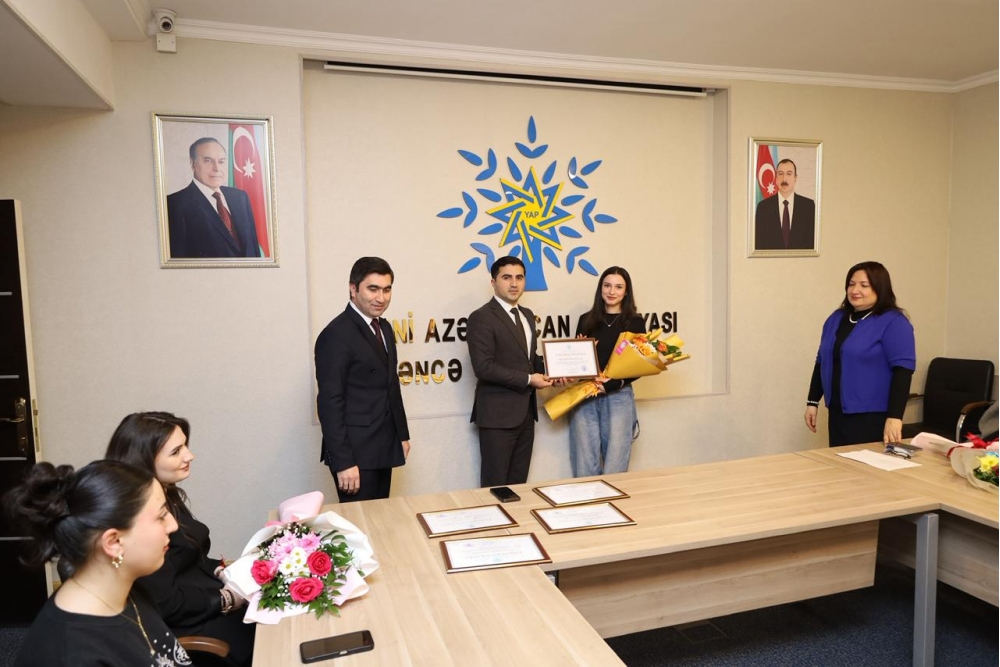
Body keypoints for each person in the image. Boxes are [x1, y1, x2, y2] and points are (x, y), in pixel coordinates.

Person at [105, 411, 255, 666]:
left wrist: (223, 571)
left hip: (205, 600)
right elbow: (168, 604)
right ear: (144, 460)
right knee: (275, 635)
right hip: (188, 624)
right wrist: (227, 599)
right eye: (176, 452)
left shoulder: (165, 494)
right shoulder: (137, 522)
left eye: (185, 446)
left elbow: (190, 556)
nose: (189, 456)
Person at [5, 460, 187, 666]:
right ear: (114, 542)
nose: (173, 525)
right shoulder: (74, 656)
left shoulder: (126, 589)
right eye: (161, 516)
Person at [315, 257, 411, 502]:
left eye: (387, 290)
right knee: (358, 522)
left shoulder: (384, 328)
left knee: (380, 519)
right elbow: (329, 402)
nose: (381, 297)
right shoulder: (336, 334)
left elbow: (391, 386)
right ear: (353, 289)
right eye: (373, 289)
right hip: (354, 453)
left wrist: (401, 435)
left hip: (384, 445)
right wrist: (343, 461)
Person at [804, 261, 915, 446]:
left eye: (864, 285)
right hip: (837, 413)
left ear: (880, 288)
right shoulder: (835, 319)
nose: (855, 290)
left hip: (872, 417)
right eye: (851, 284)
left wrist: (895, 417)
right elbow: (822, 362)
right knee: (838, 463)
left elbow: (903, 372)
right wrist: (812, 401)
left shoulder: (894, 322)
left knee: (864, 464)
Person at [467, 256, 552, 487]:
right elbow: (483, 367)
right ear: (493, 282)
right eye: (507, 277)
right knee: (495, 487)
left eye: (519, 277)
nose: (514, 283)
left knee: (518, 486)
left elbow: (529, 359)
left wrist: (555, 371)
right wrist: (529, 379)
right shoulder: (481, 317)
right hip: (497, 417)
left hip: (526, 416)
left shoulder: (527, 315)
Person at [569, 267, 646, 477]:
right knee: (585, 461)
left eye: (618, 287)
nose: (612, 291)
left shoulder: (635, 322)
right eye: (607, 285)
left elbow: (641, 363)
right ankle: (588, 499)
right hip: (586, 394)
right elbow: (578, 361)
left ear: (626, 292)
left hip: (619, 396)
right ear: (600, 288)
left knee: (615, 463)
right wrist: (581, 355)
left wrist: (611, 384)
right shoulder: (586, 320)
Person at [167, 137, 261, 258]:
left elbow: (253, 248)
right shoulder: (175, 204)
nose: (216, 168)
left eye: (221, 161)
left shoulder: (240, 197)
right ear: (193, 164)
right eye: (208, 161)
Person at [754, 158, 816, 250]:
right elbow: (758, 246)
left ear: (795, 178)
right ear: (776, 178)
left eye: (789, 174)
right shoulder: (763, 208)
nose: (784, 179)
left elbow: (812, 245)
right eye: (781, 174)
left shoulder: (808, 207)